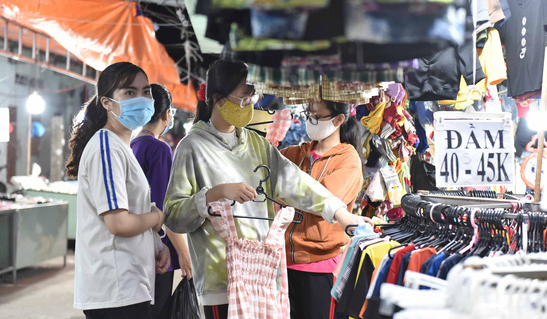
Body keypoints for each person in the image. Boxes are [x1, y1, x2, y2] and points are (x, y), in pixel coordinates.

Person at [164, 59, 370, 319]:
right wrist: (215, 193)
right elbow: (172, 214)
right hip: (221, 279)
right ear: (218, 99)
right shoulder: (191, 146)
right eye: (244, 98)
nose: (251, 105)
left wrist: (339, 213)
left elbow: (295, 181)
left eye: (253, 97)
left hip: (263, 275)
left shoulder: (255, 143)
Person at [66, 62, 170, 319]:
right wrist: (158, 217)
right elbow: (119, 223)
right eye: (129, 93)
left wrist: (158, 244)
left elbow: (132, 212)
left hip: (128, 285)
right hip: (114, 289)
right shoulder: (106, 147)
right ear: (107, 102)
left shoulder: (122, 145)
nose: (143, 99)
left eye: (146, 91)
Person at [280, 101, 364, 319]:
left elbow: (325, 198)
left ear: (338, 120)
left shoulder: (348, 159)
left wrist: (285, 191)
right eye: (309, 114)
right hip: (283, 263)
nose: (310, 120)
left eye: (317, 116)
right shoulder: (295, 154)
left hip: (321, 266)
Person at [131, 84, 193, 319]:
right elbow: (164, 208)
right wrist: (183, 252)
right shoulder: (159, 149)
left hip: (134, 244)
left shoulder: (131, 145)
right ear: (167, 114)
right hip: (158, 252)